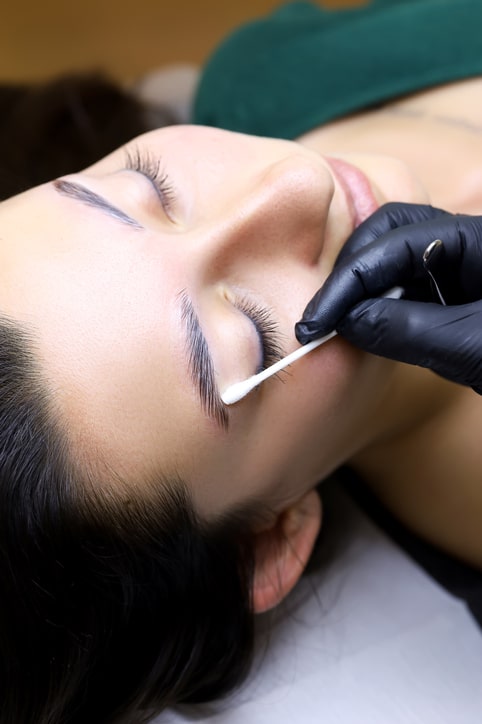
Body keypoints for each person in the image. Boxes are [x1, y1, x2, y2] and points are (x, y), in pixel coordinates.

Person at [1, 1, 482, 723]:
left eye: (145, 188)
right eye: (252, 336)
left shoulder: (267, 75)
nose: (294, 183)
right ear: (268, 541)